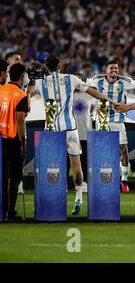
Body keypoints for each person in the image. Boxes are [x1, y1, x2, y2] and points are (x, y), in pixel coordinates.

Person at [28, 55, 117, 215]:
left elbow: (26, 94)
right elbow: (93, 92)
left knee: (48, 166)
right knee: (76, 164)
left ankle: (46, 201)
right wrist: (112, 101)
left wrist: (32, 79)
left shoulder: (41, 82)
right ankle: (78, 198)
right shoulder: (71, 79)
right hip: (70, 127)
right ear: (60, 66)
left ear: (47, 67)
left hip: (51, 129)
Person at [89, 60, 135, 193]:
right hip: (102, 121)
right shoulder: (97, 81)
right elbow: (84, 82)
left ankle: (124, 180)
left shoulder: (124, 82)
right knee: (103, 151)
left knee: (123, 149)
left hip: (118, 120)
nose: (114, 70)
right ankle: (103, 178)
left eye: (116, 68)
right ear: (106, 70)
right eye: (111, 68)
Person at [0, 63, 29, 221]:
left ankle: (2, 211)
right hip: (13, 139)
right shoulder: (20, 95)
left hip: (1, 139)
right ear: (22, 76)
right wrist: (23, 142)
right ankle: (11, 213)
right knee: (14, 177)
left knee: (2, 177)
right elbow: (19, 120)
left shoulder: (1, 90)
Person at [73, 72, 96, 191]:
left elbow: (93, 108)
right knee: (69, 158)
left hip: (85, 131)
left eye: (80, 80)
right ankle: (66, 183)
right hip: (71, 130)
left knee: (85, 159)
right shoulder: (69, 95)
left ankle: (85, 181)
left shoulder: (90, 95)